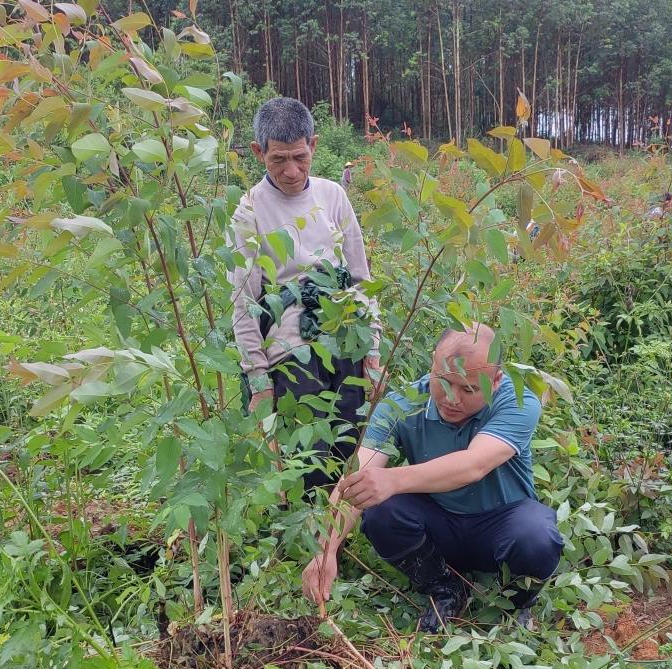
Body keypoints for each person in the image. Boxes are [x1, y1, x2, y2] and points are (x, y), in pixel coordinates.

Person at [302, 324, 564, 631]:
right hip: (439, 524)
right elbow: (357, 477)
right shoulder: (400, 406)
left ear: (496, 381)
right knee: (381, 512)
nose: (453, 398)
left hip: (501, 524)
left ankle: (519, 601)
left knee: (537, 536)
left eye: (469, 389)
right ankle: (446, 586)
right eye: (444, 382)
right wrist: (326, 550)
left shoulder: (517, 401)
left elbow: (473, 465)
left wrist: (393, 479)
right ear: (432, 365)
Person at [228, 97, 383, 493]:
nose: (292, 170)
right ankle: (305, 544)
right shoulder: (249, 211)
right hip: (289, 352)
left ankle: (337, 538)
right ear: (258, 152)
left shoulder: (333, 196)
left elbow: (360, 279)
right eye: (278, 159)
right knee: (304, 458)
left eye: (299, 156)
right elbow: (243, 305)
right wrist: (259, 380)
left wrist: (374, 349)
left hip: (346, 338)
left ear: (313, 145)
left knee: (349, 440)